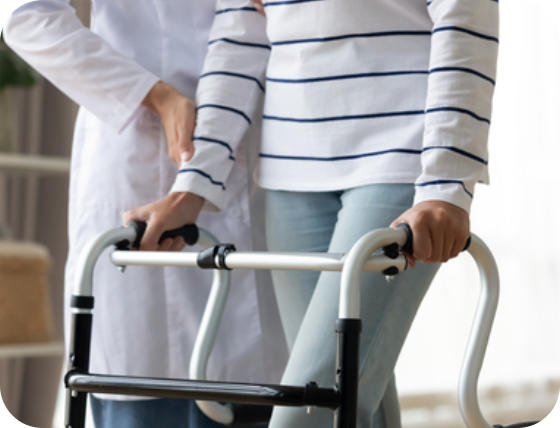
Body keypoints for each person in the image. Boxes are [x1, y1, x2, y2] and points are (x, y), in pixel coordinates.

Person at [127, 0, 499, 427]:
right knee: (350, 398)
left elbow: (466, 14)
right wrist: (191, 187)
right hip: (291, 175)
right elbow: (238, 37)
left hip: (403, 159)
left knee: (308, 408)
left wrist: (445, 183)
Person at [2, 1, 287, 427]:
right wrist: (155, 95)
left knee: (257, 383)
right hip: (132, 140)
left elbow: (250, 19)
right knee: (142, 382)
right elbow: (24, 16)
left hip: (247, 136)